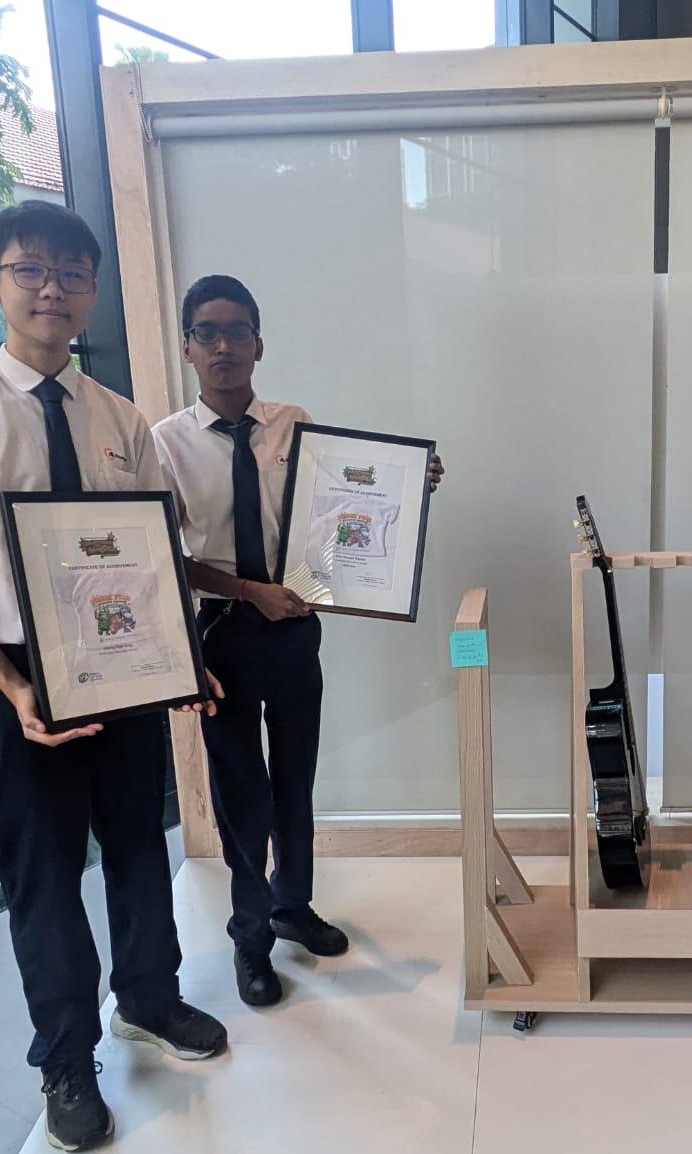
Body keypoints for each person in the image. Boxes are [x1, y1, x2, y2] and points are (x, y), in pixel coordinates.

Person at [0, 201, 227, 1154]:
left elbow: (151, 560)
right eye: (30, 269)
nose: (53, 287)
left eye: (72, 272)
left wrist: (182, 660)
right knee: (41, 877)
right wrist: (12, 685)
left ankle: (150, 999)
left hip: (122, 666)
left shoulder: (122, 419)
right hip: (22, 679)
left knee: (135, 845)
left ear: (93, 289)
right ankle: (65, 1058)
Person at [152, 275, 443, 1008]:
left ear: (259, 343)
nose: (224, 345)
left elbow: (342, 512)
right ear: (187, 345)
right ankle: (250, 938)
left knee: (294, 783)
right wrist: (248, 590)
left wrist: (409, 490)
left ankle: (291, 904)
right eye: (208, 331)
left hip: (293, 631)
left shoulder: (295, 424)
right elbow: (167, 556)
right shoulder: (165, 443)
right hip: (222, 635)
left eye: (238, 330)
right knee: (241, 797)